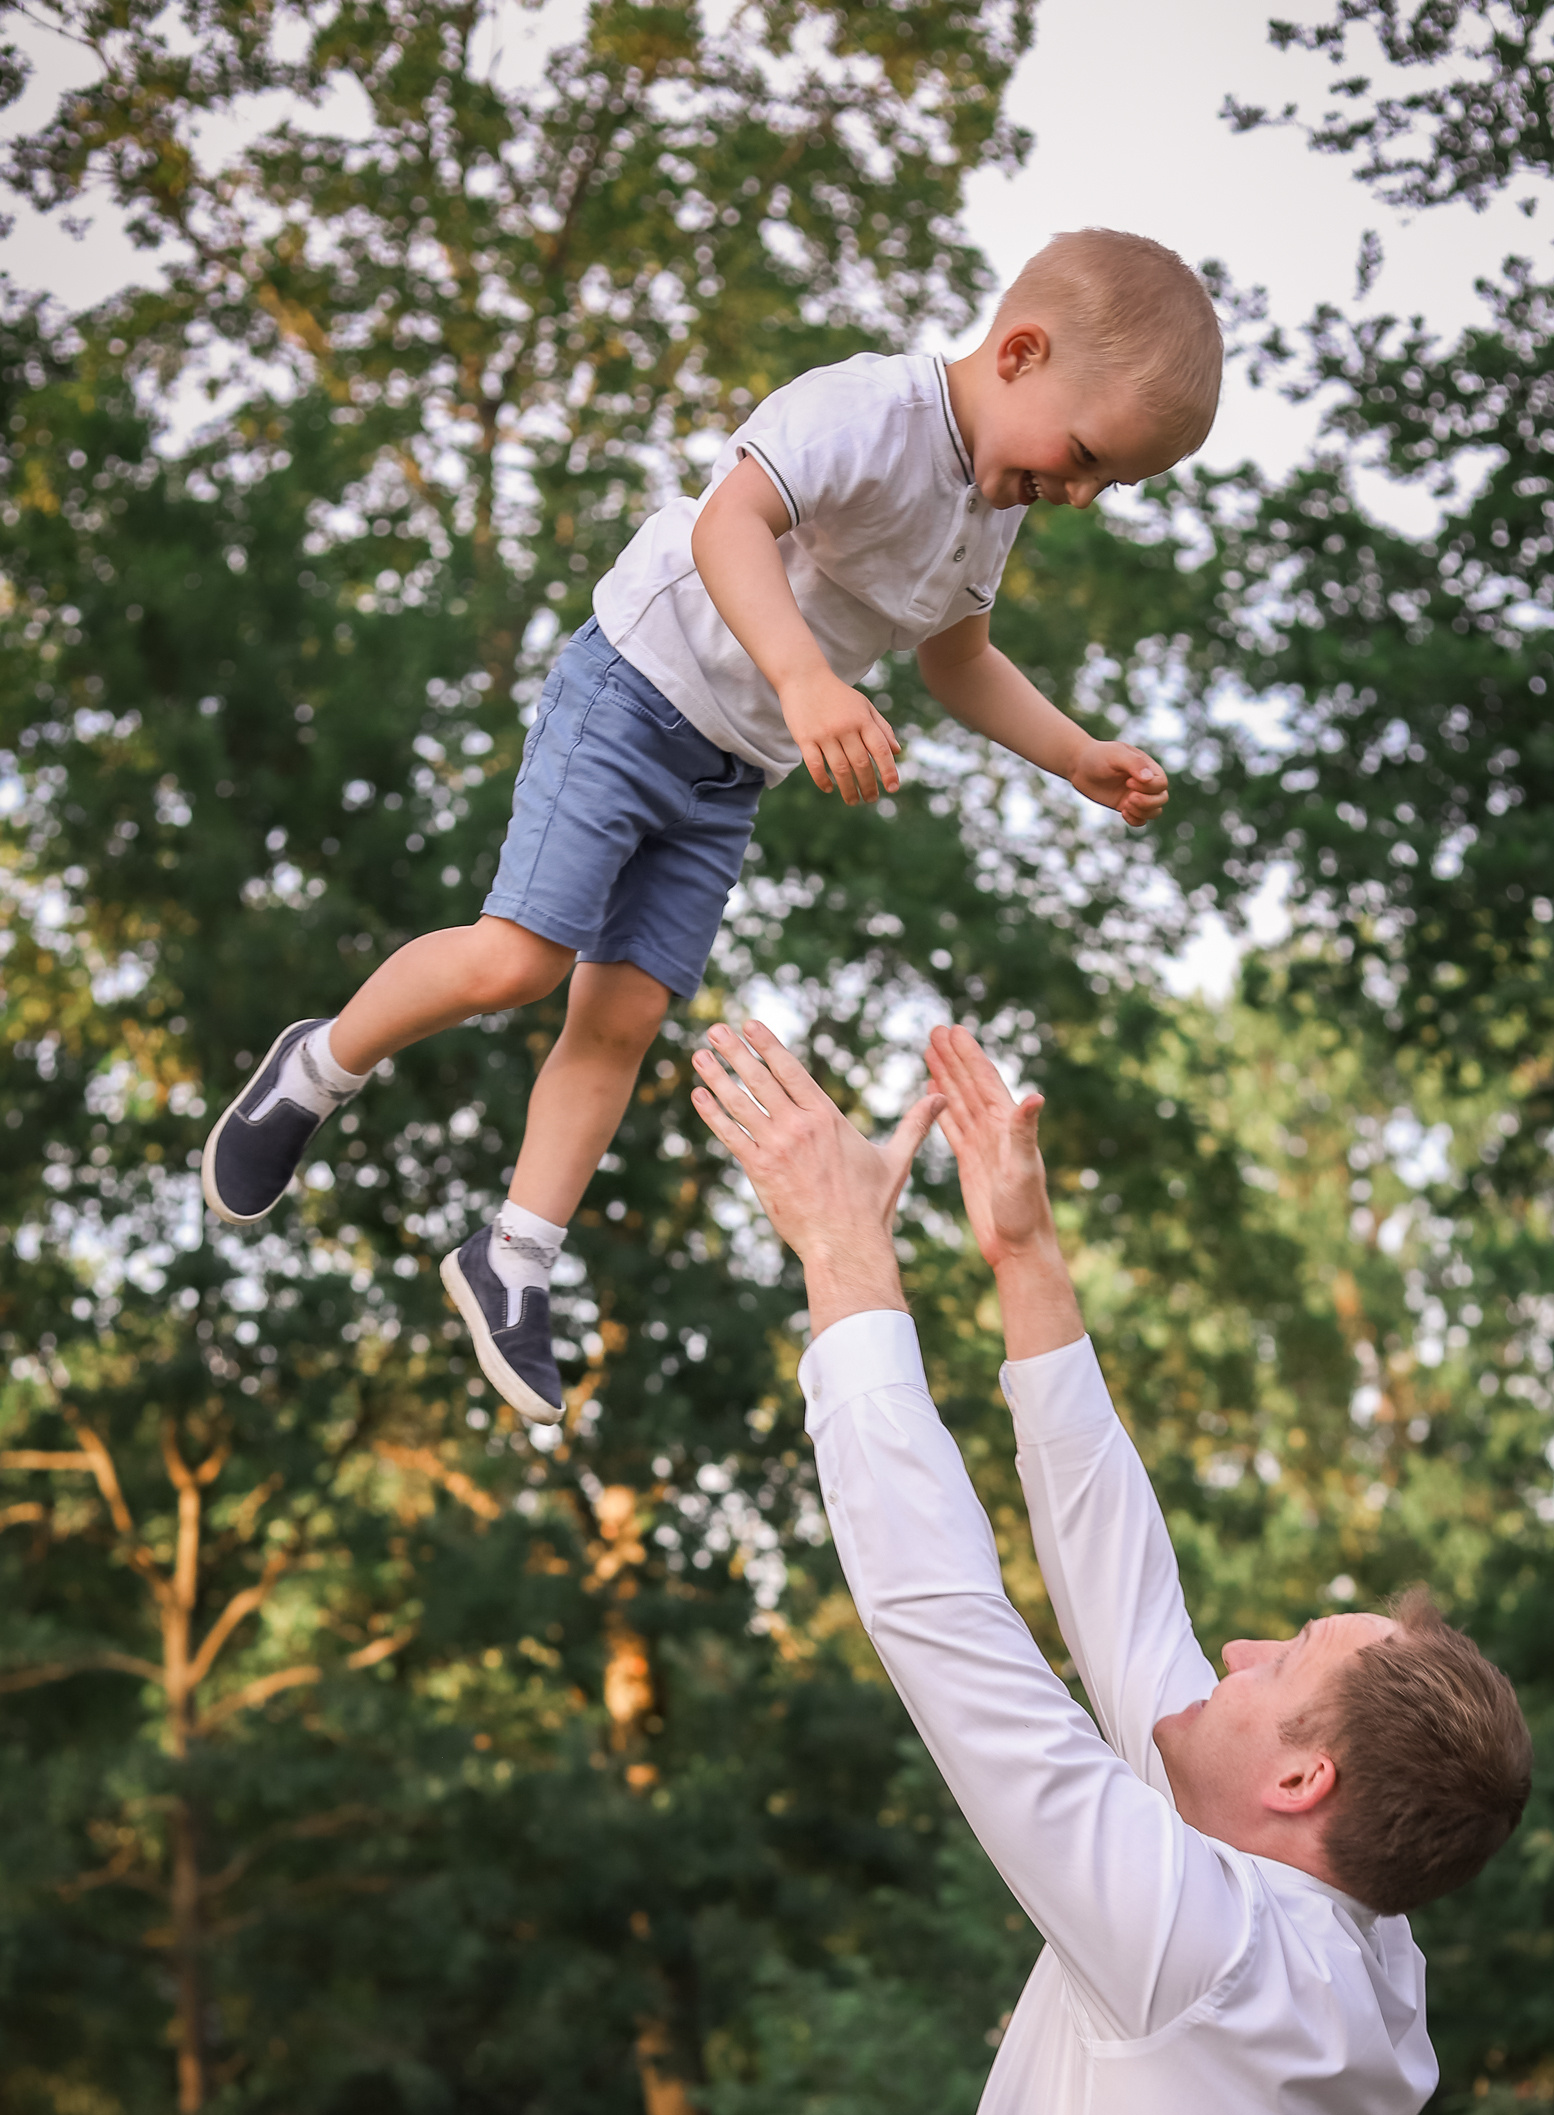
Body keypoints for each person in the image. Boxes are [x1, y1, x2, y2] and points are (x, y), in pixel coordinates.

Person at [687, 1014, 1533, 2115]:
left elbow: (950, 1626)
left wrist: (842, 1252)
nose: (1242, 1647)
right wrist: (1023, 1258)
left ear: (1299, 1783)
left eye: (1288, 1662)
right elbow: (1127, 1612)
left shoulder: (1213, 1963)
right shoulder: (1343, 1950)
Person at [200, 229, 1223, 1421]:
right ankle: (317, 1066)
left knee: (626, 1013)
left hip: (731, 766)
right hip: (635, 685)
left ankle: (514, 1258)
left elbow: (962, 664)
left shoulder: (989, 518)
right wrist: (804, 679)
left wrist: (1076, 754)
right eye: (1086, 456)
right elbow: (724, 526)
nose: (1084, 495)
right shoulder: (867, 411)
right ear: (1022, 354)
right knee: (520, 959)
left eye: (1113, 484)